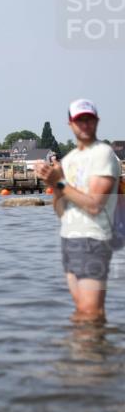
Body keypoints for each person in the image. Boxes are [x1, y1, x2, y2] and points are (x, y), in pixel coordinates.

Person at [36, 99, 121, 323]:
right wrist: (54, 184)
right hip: (70, 239)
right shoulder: (70, 159)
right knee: (81, 312)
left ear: (96, 122)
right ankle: (80, 355)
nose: (84, 124)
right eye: (79, 120)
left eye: (88, 119)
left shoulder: (103, 154)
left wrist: (60, 182)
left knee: (91, 312)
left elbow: (95, 204)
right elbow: (62, 211)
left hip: (94, 239)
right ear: (71, 124)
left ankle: (96, 355)